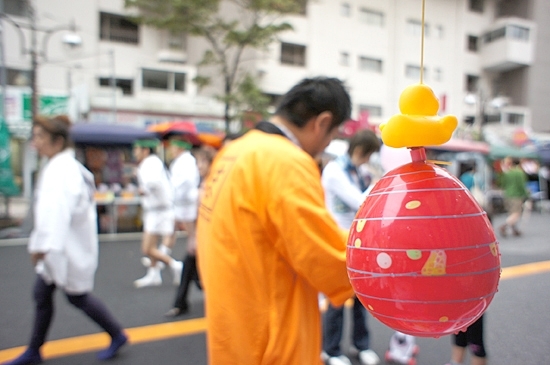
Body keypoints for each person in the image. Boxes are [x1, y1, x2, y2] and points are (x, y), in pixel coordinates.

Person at [196, 77, 356, 365]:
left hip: (233, 332)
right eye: (333, 134)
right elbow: (328, 257)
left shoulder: (234, 151)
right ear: (321, 122)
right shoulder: (286, 161)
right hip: (273, 343)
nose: (327, 144)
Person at [2, 115, 127, 365]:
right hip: (65, 245)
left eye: (39, 137)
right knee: (44, 294)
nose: (35, 143)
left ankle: (116, 334)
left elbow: (56, 213)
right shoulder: (64, 166)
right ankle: (35, 349)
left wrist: (43, 248)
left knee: (74, 296)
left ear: (57, 141)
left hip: (64, 247)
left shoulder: (61, 170)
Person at [321, 129, 381, 365]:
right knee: (337, 298)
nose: (368, 161)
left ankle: (360, 345)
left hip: (357, 240)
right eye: (368, 155)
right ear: (359, 151)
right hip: (337, 238)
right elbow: (360, 202)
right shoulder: (335, 171)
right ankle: (332, 350)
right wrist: (377, 185)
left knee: (360, 296)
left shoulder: (355, 170)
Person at [164, 146, 215, 317]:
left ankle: (184, 301)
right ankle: (181, 302)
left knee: (198, 269)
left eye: (202, 161)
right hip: (203, 237)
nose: (199, 166)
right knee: (190, 268)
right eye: (198, 162)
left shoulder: (211, 186)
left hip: (211, 239)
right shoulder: (202, 186)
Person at [132, 138, 183, 287]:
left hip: (160, 210)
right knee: (152, 245)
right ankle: (154, 274)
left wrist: (143, 189)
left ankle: (173, 264)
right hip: (156, 210)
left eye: (137, 149)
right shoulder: (150, 163)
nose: (135, 153)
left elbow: (153, 183)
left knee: (147, 248)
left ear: (145, 150)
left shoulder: (151, 163)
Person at [498, 157, 529, 237]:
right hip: (516, 195)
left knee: (511, 212)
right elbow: (521, 185)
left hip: (507, 194)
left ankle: (515, 230)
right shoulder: (520, 172)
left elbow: (502, 183)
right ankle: (504, 226)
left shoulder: (507, 172)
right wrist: (526, 194)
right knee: (516, 213)